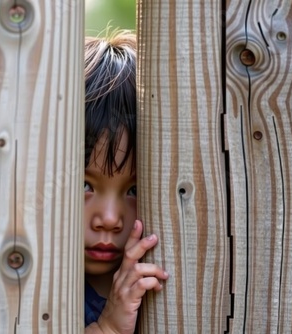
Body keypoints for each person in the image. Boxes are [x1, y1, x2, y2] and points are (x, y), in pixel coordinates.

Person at [83, 31, 169, 334]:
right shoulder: (32, 291)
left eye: (133, 190)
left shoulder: (166, 296)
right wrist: (106, 328)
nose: (109, 219)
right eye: (85, 186)